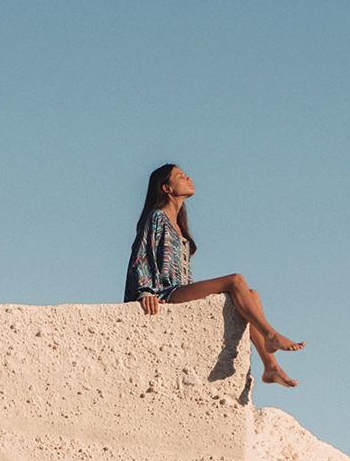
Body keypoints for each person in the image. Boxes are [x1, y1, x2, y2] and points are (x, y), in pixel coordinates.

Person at [124, 164, 305, 388]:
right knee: (235, 280)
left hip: (179, 291)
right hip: (165, 293)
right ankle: (270, 335)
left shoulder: (179, 226)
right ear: (167, 188)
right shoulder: (156, 218)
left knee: (251, 295)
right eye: (181, 176)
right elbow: (140, 254)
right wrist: (145, 292)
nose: (189, 177)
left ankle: (271, 367)